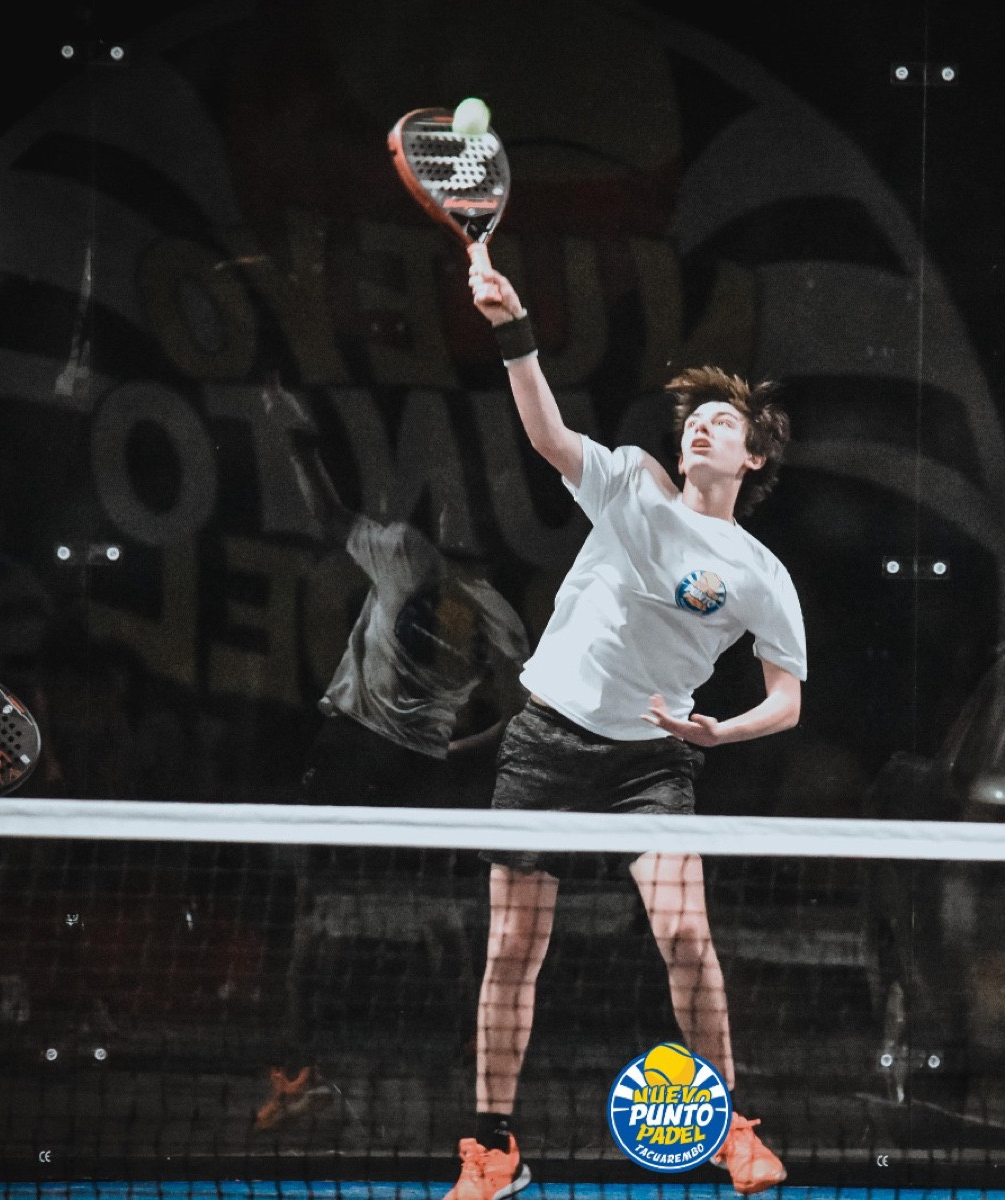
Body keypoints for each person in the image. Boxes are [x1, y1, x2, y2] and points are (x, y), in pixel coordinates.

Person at [441, 244, 806, 1200]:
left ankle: (731, 1129)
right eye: (696, 419)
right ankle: (495, 1150)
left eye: (724, 422)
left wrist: (721, 733)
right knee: (512, 951)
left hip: (652, 763)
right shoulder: (632, 481)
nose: (703, 426)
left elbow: (787, 698)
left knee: (686, 937)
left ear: (752, 457)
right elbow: (548, 434)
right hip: (545, 743)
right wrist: (515, 332)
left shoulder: (762, 574)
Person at [252, 385, 531, 1133]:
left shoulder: (408, 555)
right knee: (430, 928)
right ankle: (450, 1070)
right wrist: (454, 751)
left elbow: (327, 516)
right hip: (412, 772)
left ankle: (312, 1072)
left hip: (357, 756)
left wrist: (301, 443)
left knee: (334, 920)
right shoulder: (502, 619)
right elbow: (525, 713)